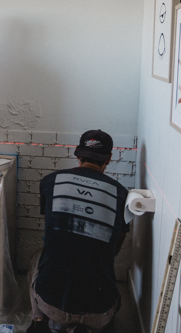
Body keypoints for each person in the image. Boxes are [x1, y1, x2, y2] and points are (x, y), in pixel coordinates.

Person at [27, 130, 129, 333]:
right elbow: (114, 248)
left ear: (77, 154)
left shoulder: (50, 181)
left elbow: (52, 235)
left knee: (37, 257)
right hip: (99, 313)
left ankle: (38, 322)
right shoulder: (121, 195)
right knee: (112, 287)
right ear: (108, 159)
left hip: (52, 305)